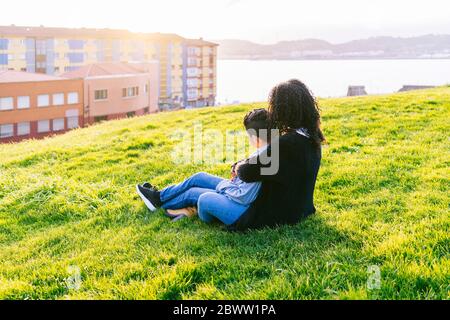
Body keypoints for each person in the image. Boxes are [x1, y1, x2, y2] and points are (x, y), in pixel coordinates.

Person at [136, 109, 271, 226]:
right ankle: (159, 197)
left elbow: (243, 197)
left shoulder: (263, 158)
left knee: (200, 196)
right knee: (199, 177)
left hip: (241, 208)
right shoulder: (268, 148)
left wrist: (222, 188)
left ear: (255, 138)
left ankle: (165, 205)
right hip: (235, 192)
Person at [230, 79, 325, 230]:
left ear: (283, 109)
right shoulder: (311, 137)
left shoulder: (287, 143)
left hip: (277, 216)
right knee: (202, 181)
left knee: (203, 197)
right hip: (301, 209)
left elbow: (247, 173)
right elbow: (266, 165)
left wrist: (239, 166)